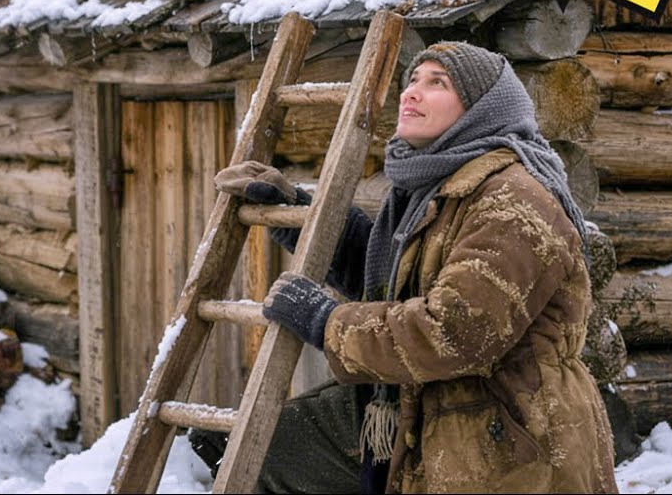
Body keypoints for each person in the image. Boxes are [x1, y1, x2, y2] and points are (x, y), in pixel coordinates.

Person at [200, 41, 618, 493]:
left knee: (264, 452)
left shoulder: (513, 201)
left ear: (483, 109)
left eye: (437, 83)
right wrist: (298, 216)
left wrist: (327, 323)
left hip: (506, 434)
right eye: (412, 80)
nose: (411, 93)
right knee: (256, 448)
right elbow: (400, 281)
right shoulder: (434, 185)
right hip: (428, 403)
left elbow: (455, 331)